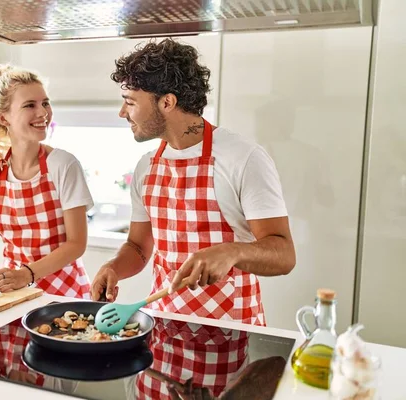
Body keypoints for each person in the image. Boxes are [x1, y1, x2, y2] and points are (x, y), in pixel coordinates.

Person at [90, 39, 296, 398]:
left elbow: (283, 254)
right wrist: (114, 267)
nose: (123, 113)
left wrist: (231, 252)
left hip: (232, 341)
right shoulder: (146, 168)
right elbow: (139, 247)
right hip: (164, 336)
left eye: (130, 102)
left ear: (167, 102)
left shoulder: (242, 157)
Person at [0, 64, 94, 298]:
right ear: (4, 118)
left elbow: (76, 244)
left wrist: (27, 274)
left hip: (65, 295)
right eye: (29, 105)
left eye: (45, 103)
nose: (43, 112)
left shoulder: (63, 165)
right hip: (14, 292)